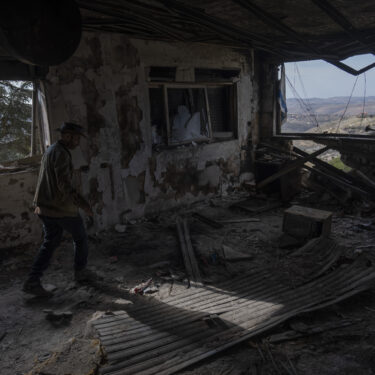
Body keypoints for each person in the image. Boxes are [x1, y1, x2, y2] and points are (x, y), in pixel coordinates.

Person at [23, 122, 96, 297]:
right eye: (76, 138)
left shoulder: (52, 149)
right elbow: (64, 185)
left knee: (50, 243)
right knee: (81, 238)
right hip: (60, 208)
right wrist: (85, 205)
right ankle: (81, 272)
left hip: (45, 207)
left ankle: (32, 281)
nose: (78, 142)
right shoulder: (62, 154)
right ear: (68, 136)